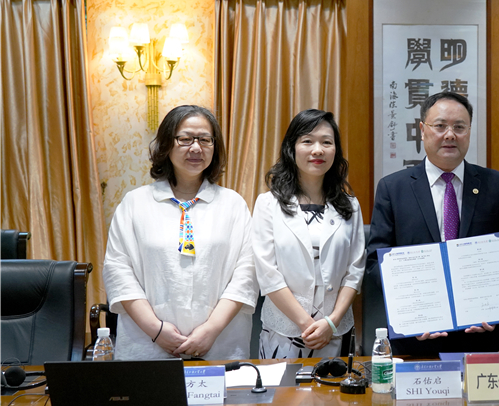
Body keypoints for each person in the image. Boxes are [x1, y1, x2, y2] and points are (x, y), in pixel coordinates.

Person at [104, 105, 257, 360]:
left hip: (219, 343)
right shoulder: (135, 203)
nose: (196, 148)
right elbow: (118, 270)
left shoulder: (233, 204)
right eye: (185, 139)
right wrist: (156, 331)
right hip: (148, 345)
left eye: (205, 140)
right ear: (166, 144)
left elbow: (247, 273)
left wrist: (211, 330)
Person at [366, 91, 499, 355]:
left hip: (481, 338)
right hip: (416, 339)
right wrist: (411, 309)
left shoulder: (495, 184)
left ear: (469, 131)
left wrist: (497, 307)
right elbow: (376, 261)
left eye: (459, 127)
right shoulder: (393, 188)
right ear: (422, 130)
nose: (450, 135)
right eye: (440, 126)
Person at [252, 109, 365, 359]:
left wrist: (331, 323)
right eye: (307, 141)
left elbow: (355, 271)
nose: (318, 150)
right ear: (291, 148)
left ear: (336, 150)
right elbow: (267, 274)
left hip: (336, 331)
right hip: (284, 334)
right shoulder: (267, 204)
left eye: (326, 142)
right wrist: (307, 324)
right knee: (282, 386)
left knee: (336, 386)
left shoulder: (350, 205)